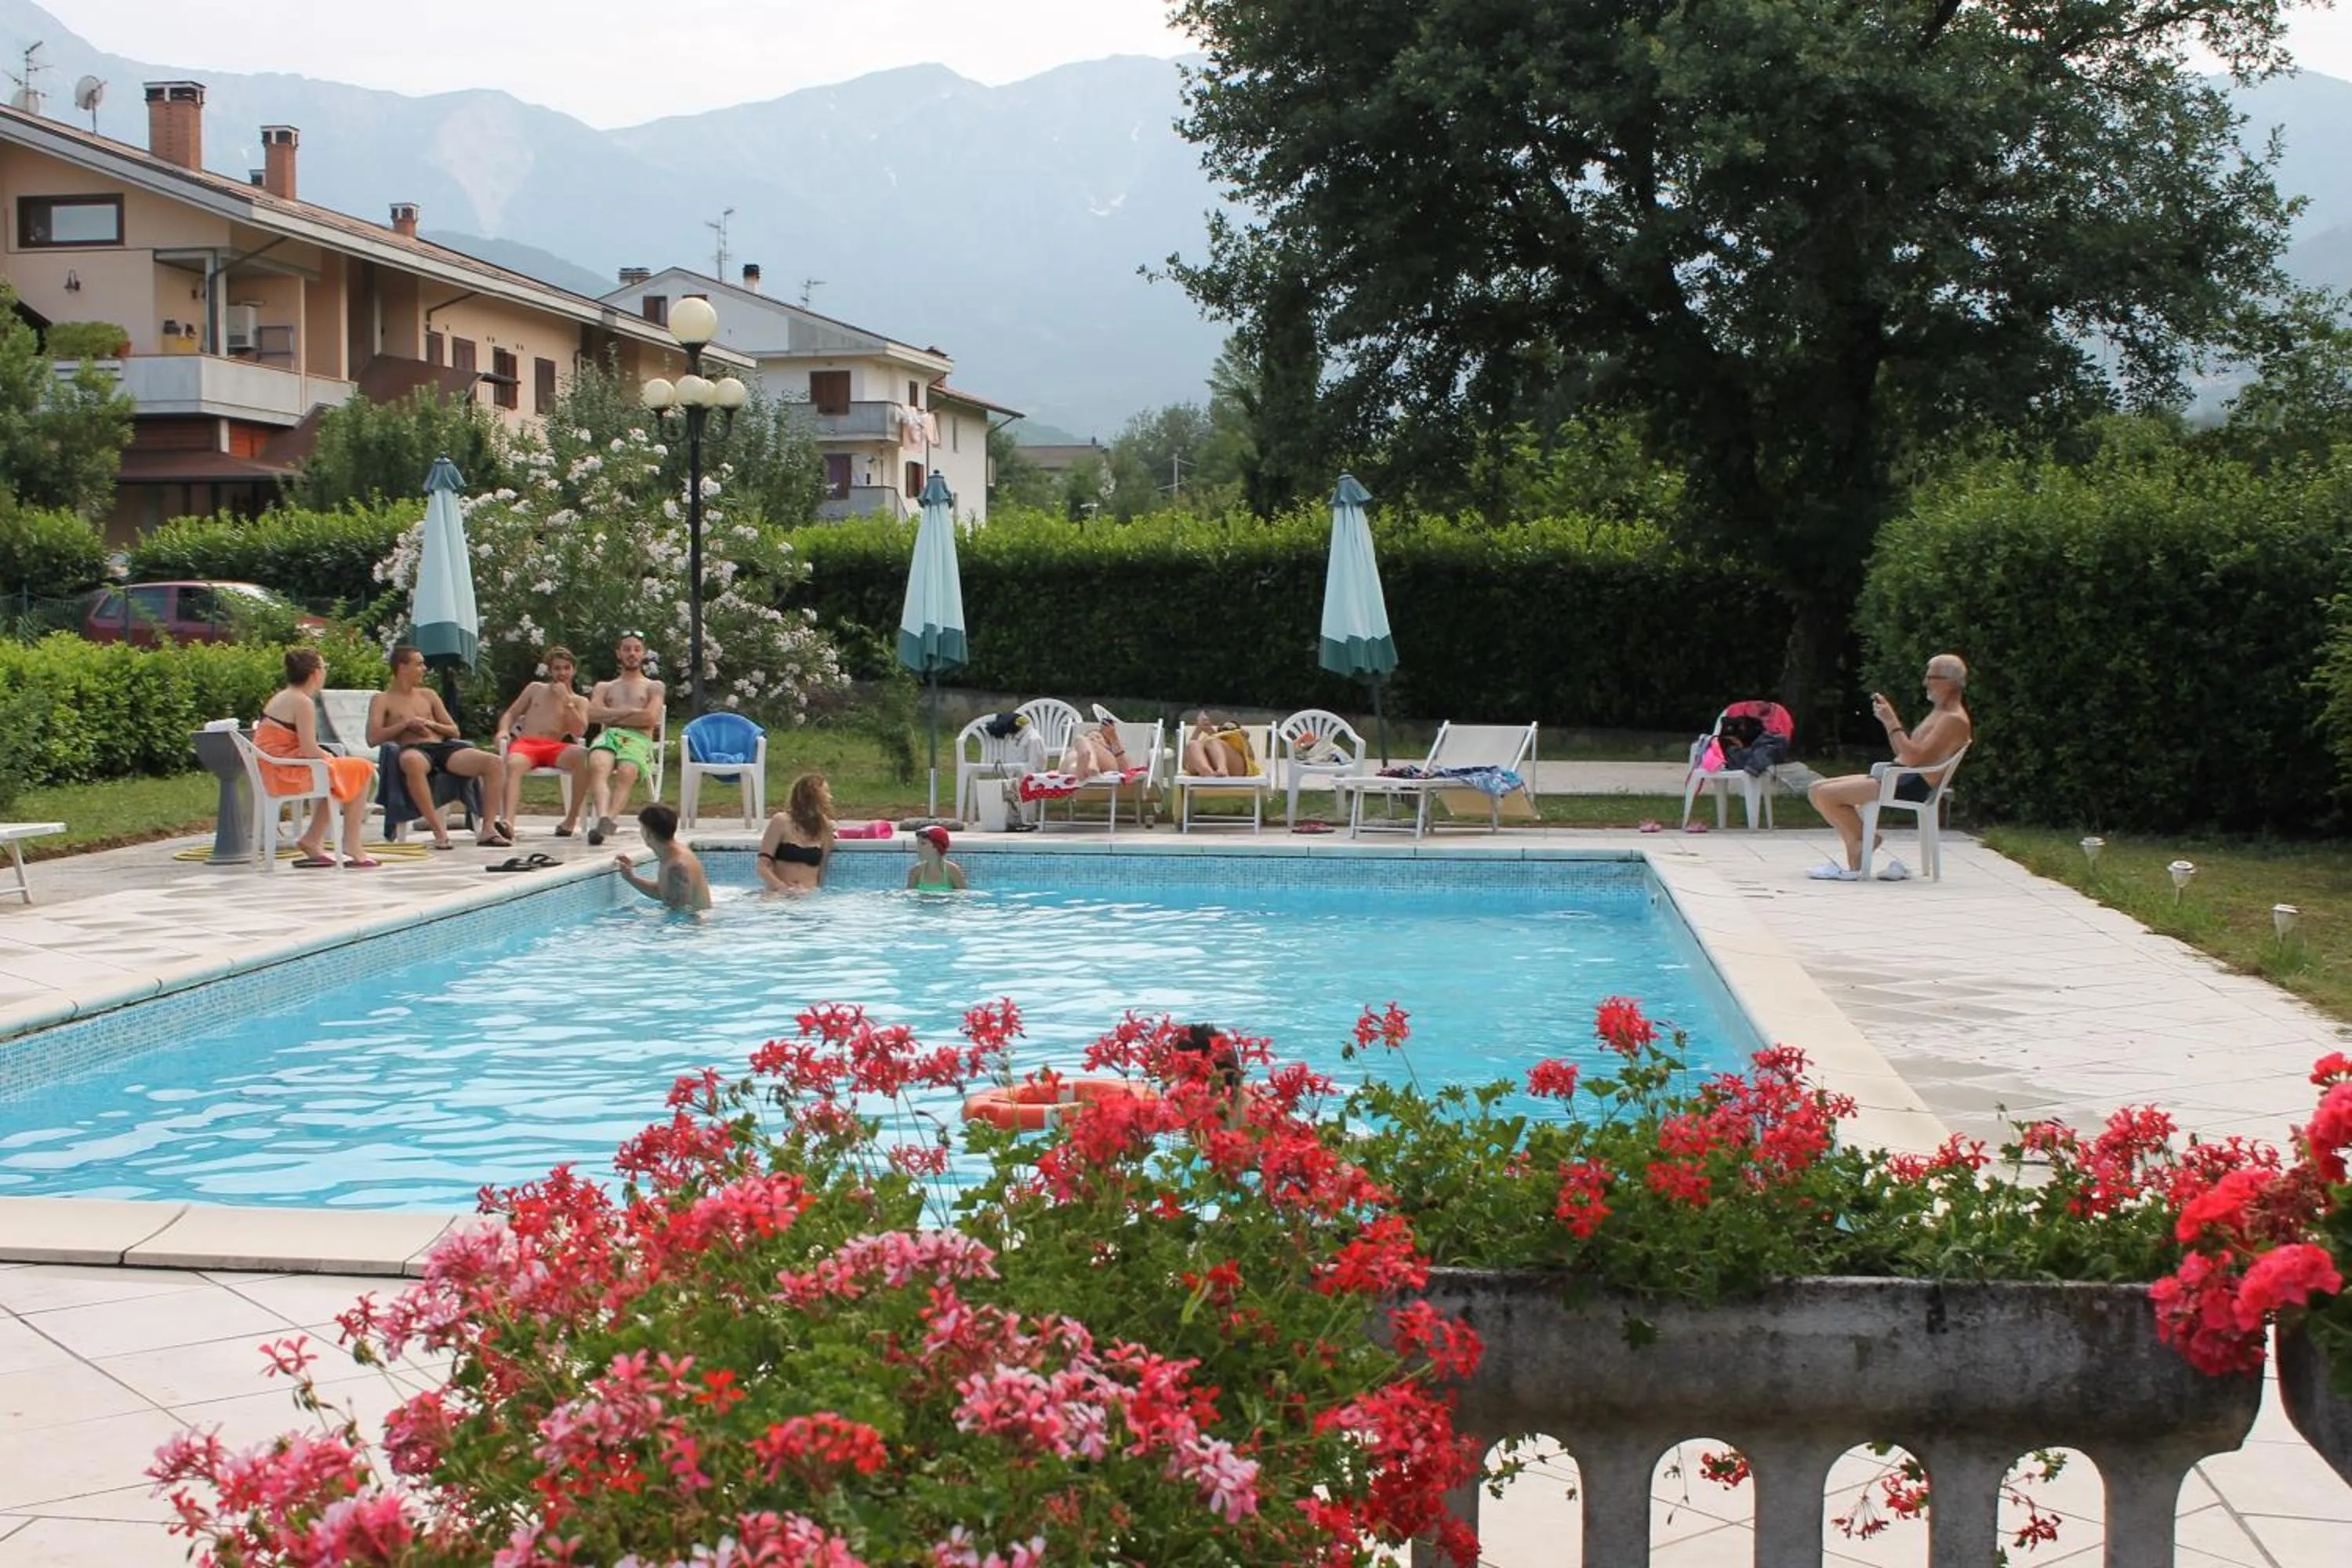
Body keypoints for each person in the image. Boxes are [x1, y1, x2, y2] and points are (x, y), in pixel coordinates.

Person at [1806, 652, 1975, 883]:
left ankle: (1861, 844)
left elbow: (1913, 757)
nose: (1925, 683)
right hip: (1900, 774)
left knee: (1826, 795)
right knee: (1816, 789)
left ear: (1950, 682)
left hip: (1911, 782)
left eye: (1931, 677)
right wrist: (1888, 722)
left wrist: (1892, 721)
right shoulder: (1941, 713)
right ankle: (1861, 841)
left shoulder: (1953, 719)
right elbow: (1905, 752)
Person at [367, 646, 512, 849]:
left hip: (442, 749)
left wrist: (429, 724)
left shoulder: (428, 695)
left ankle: (488, 829)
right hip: (413, 750)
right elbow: (373, 738)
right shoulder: (382, 700)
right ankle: (439, 832)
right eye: (419, 664)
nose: (424, 668)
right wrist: (405, 725)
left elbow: (454, 730)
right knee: (411, 762)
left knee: (494, 762)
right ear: (402, 667)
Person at [253, 648, 379, 868]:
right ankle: (351, 843)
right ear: (315, 674)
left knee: (347, 771)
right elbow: (310, 749)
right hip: (284, 771)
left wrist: (329, 759)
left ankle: (313, 839)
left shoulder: (285, 696)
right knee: (363, 768)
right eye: (324, 667)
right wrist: (329, 757)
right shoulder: (302, 702)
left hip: (275, 767)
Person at [492, 645, 591, 838]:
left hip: (554, 747)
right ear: (550, 670)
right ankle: (508, 822)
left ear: (573, 670)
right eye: (557, 668)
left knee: (585, 757)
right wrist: (503, 730)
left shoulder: (580, 701)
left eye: (566, 668)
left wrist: (566, 700)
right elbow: (512, 713)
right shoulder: (535, 689)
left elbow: (579, 731)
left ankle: (570, 820)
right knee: (512, 764)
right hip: (527, 744)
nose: (562, 673)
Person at [583, 631, 667, 847]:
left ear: (644, 654)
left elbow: (649, 718)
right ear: (619, 654)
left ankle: (608, 821)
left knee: (626, 771)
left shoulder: (654, 686)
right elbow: (592, 714)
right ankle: (602, 817)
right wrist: (630, 712)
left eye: (637, 649)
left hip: (637, 739)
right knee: (598, 765)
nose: (632, 653)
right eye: (627, 649)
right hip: (609, 736)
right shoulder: (605, 686)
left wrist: (612, 714)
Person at [615, 802, 710, 912]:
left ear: (647, 833)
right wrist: (631, 878)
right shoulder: (672, 855)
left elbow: (679, 913)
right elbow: (664, 892)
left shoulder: (677, 867)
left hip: (694, 925)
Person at [756, 773, 834, 893]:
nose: (830, 797)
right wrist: (782, 887)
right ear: (812, 796)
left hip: (808, 897)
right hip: (779, 894)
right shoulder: (781, 821)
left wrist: (815, 894)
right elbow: (762, 867)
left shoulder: (825, 827)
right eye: (826, 792)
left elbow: (821, 870)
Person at [1183, 711, 1257, 777]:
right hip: (1209, 767)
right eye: (1223, 729)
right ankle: (1206, 771)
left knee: (1212, 741)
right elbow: (1185, 763)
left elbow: (1251, 759)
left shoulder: (1240, 743)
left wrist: (1245, 740)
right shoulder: (1211, 741)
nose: (1228, 731)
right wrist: (1198, 729)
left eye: (1232, 730)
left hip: (1236, 768)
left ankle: (1222, 769)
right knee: (1193, 744)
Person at [906, 824, 967, 891]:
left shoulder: (952, 871)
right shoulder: (916, 871)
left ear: (937, 846)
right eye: (917, 843)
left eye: (923, 843)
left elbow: (962, 897)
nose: (918, 848)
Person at [1063, 717, 1130, 777]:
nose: (1093, 739)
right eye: (1090, 737)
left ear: (1107, 745)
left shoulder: (1112, 755)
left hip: (1108, 768)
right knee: (1073, 757)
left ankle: (1091, 763)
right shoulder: (1077, 752)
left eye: (1098, 737)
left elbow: (1126, 772)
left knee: (1079, 738)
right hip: (1080, 767)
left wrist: (1114, 737)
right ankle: (1080, 770)